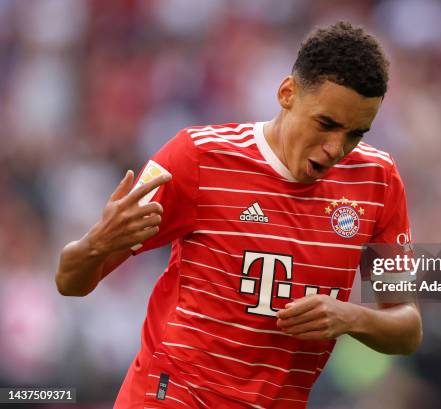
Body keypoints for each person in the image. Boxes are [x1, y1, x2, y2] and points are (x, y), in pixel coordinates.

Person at [55, 21, 422, 409]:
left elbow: (408, 326)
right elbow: (70, 280)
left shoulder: (378, 182)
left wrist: (351, 318)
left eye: (355, 134)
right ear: (287, 93)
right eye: (326, 124)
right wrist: (96, 244)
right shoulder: (197, 157)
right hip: (171, 395)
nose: (335, 148)